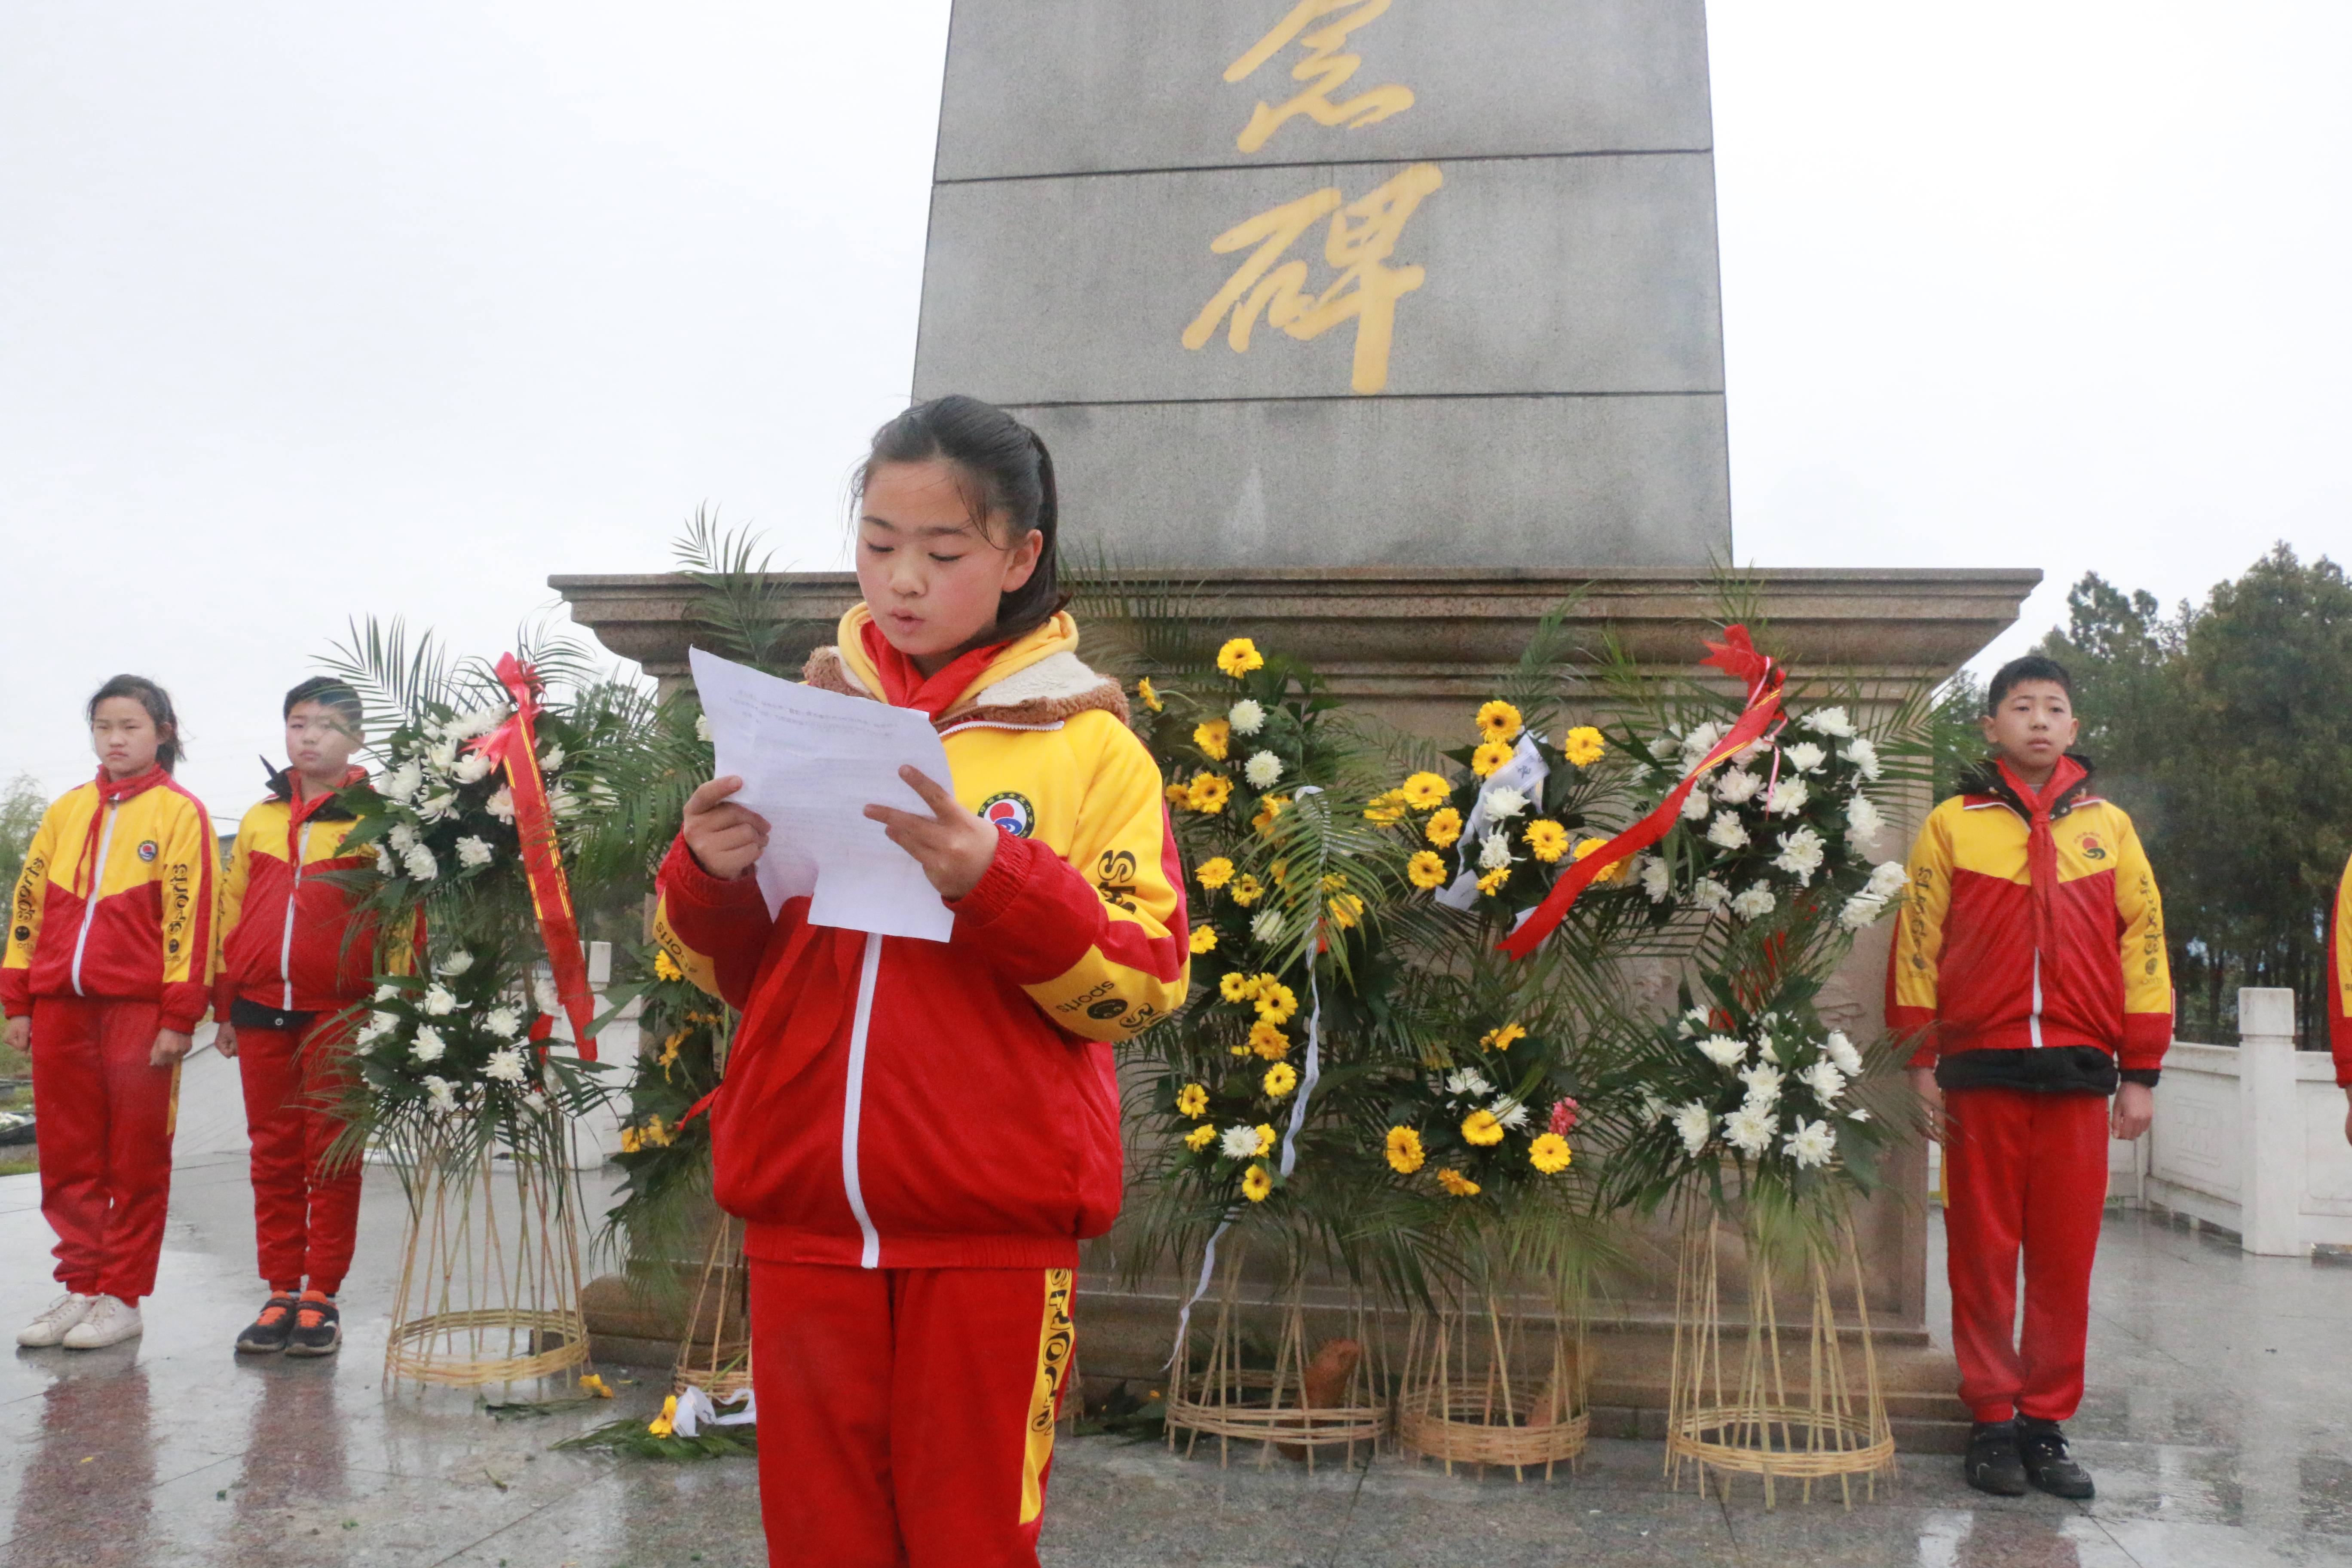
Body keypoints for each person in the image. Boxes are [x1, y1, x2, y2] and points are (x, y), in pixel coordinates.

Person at [655, 395, 1189, 1568]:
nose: (903, 579)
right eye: (878, 543)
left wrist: (995, 877)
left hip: (987, 1230)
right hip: (804, 1214)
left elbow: (1142, 980)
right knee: (819, 1537)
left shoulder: (1088, 744)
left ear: (1018, 557)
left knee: (968, 1540)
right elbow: (724, 969)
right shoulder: (803, 718)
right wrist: (707, 874)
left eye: (943, 552)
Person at [1890, 653, 2170, 1501]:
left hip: (2081, 1075)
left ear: (2075, 730)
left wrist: (2141, 1071)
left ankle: (2045, 1427)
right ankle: (1991, 1422)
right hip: (1980, 1071)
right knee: (1982, 1254)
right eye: (2022, 706)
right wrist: (1923, 1057)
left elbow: (2146, 943)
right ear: (1992, 727)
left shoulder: (2110, 830)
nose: (2039, 720)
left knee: (2062, 1261)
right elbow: (1918, 940)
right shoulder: (1952, 823)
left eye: (2054, 708)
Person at [3, 675, 217, 1350]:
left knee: (134, 1157)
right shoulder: (65, 811)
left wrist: (179, 1016)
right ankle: (83, 1287)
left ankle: (122, 1296)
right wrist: (18, 1000)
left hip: (139, 1011)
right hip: (60, 1008)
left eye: (130, 726)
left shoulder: (181, 814)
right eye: (103, 727)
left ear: (163, 732)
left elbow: (192, 918)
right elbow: (27, 908)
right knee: (68, 1155)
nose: (116, 739)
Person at [212, 677, 380, 1357]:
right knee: (272, 1154)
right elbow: (230, 909)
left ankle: (323, 1295)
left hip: (342, 1008)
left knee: (331, 1156)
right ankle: (281, 1287)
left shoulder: (380, 819)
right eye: (297, 723)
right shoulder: (257, 818)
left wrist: (391, 1006)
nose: (308, 737)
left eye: (326, 726)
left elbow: (400, 919)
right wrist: (222, 1004)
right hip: (258, 1006)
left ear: (357, 739)